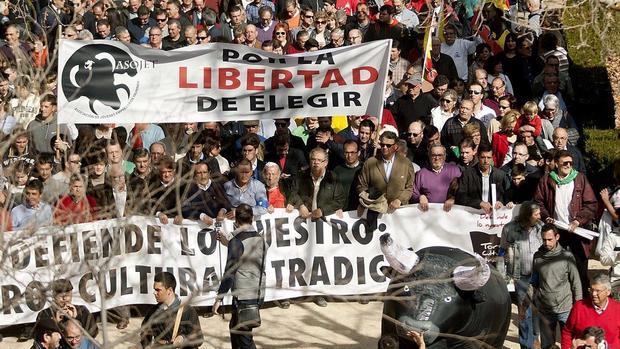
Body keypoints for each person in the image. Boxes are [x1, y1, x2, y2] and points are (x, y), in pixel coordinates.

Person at [534, 150, 597, 289]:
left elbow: (591, 204)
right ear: (556, 164)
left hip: (577, 231)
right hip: (557, 231)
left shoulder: (580, 179)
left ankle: (581, 303)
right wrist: (546, 217)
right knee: (556, 267)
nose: (568, 165)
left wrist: (578, 220)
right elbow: (539, 202)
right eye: (565, 163)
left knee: (580, 269)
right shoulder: (546, 180)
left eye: (570, 163)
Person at [213, 203, 267, 349]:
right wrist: (228, 243)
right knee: (238, 331)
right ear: (252, 219)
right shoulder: (259, 238)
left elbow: (229, 272)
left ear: (236, 220)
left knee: (243, 338)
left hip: (244, 296)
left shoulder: (237, 241)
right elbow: (245, 254)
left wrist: (219, 298)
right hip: (258, 292)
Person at [530, 224, 582, 349]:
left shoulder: (567, 257)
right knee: (547, 345)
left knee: (569, 344)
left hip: (565, 309)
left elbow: (576, 283)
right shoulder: (537, 257)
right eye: (544, 239)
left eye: (549, 239)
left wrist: (578, 306)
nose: (546, 243)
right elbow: (534, 281)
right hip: (545, 309)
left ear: (557, 237)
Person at [500, 201, 543, 349]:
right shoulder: (509, 229)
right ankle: (526, 345)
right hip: (521, 277)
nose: (539, 216)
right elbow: (502, 251)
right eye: (536, 214)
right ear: (527, 215)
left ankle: (536, 341)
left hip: (539, 277)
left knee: (537, 312)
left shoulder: (541, 228)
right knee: (524, 313)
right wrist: (504, 275)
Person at [141, 272, 203, 348]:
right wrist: (146, 345)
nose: (154, 293)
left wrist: (183, 338)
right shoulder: (153, 311)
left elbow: (199, 338)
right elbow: (145, 333)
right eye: (154, 289)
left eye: (158, 290)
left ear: (169, 290)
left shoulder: (188, 311)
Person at [561, 274, 620, 349]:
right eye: (591, 290)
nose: (593, 294)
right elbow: (567, 332)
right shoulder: (579, 307)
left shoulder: (618, 309)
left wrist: (608, 347)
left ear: (608, 292)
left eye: (598, 291)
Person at [289, 147, 345, 220]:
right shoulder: (301, 176)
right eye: (313, 159)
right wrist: (300, 205)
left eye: (319, 160)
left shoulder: (332, 177)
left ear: (326, 163)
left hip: (324, 221)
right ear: (309, 161)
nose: (316, 162)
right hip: (304, 220)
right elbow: (293, 193)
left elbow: (340, 200)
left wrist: (322, 210)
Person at [454, 144, 510, 215]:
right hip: (473, 216)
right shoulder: (467, 174)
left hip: (495, 216)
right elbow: (460, 197)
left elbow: (507, 195)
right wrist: (479, 203)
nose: (486, 161)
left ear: (492, 158)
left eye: (489, 157)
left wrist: (501, 202)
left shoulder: (500, 175)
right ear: (478, 157)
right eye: (483, 157)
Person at [411, 144, 461, 212]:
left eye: (440, 155)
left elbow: (463, 190)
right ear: (429, 156)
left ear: (445, 156)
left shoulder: (454, 170)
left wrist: (454, 198)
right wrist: (420, 197)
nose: (437, 158)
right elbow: (413, 192)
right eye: (433, 155)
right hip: (429, 213)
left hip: (451, 213)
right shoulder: (421, 174)